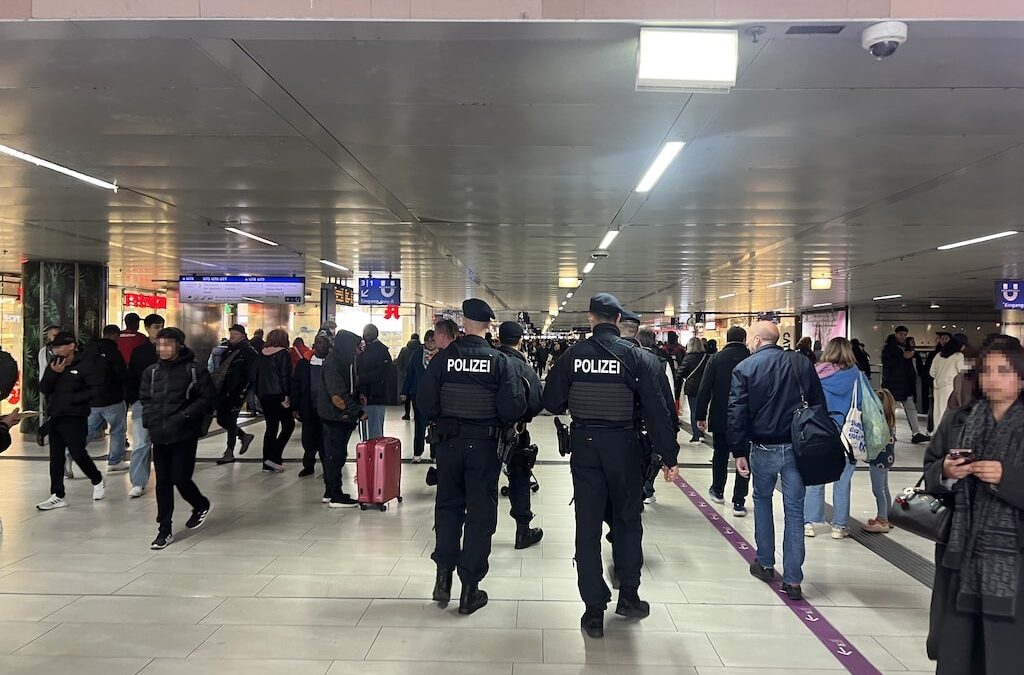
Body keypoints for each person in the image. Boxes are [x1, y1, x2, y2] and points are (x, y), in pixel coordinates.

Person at [542, 293, 680, 639]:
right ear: (618, 320)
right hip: (625, 447)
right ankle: (629, 595)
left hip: (585, 448)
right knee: (627, 521)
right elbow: (658, 413)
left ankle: (593, 610)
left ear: (591, 318)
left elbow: (552, 402)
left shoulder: (573, 356)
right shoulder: (638, 358)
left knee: (587, 525)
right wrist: (669, 457)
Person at [416, 299, 527, 616]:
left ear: (463, 323)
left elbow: (425, 401)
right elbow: (512, 408)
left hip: (448, 445)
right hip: (484, 447)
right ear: (489, 325)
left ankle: (443, 578)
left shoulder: (443, 359)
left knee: (448, 508)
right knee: (480, 514)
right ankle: (469, 589)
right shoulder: (499, 361)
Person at [923, 337, 1024, 674]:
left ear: (1021, 376)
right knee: (959, 651)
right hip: (961, 557)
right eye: (986, 371)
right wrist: (946, 472)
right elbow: (931, 468)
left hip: (1013, 565)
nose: (993, 379)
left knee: (1005, 654)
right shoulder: (960, 419)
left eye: (1004, 371)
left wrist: (1007, 478)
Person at [728, 321, 825, 601]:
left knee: (762, 500)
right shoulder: (801, 363)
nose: (749, 343)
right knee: (795, 510)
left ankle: (765, 562)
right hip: (797, 447)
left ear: (758, 340)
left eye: (750, 338)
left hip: (763, 447)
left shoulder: (745, 368)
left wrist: (738, 451)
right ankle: (793, 580)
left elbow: (737, 412)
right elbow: (818, 404)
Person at [139, 328, 214, 549]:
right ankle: (164, 529)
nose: (162, 349)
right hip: (159, 434)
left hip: (184, 434)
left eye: (167, 344)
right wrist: (150, 421)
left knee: (180, 478)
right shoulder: (152, 372)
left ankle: (200, 504)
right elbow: (145, 399)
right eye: (159, 344)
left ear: (179, 345)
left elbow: (208, 399)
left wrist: (185, 416)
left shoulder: (194, 370)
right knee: (163, 483)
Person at [35, 332, 106, 511]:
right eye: (55, 347)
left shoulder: (86, 364)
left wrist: (73, 399)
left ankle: (96, 478)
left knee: (77, 452)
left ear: (72, 346)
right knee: (56, 457)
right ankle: (57, 494)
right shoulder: (55, 364)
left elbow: (96, 389)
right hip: (56, 415)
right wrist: (53, 373)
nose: (57, 350)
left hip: (75, 416)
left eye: (60, 346)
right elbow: (44, 388)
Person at [803, 337, 864, 539]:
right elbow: (864, 405)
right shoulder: (857, 376)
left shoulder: (816, 374)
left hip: (820, 432)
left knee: (815, 477)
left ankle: (810, 522)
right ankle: (839, 526)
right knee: (843, 481)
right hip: (847, 435)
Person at [495, 321, 544, 550]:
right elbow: (536, 403)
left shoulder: (491, 361)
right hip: (515, 433)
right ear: (520, 341)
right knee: (520, 478)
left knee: (482, 479)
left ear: (498, 339)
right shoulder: (524, 368)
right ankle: (522, 530)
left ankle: (477, 533)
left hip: (483, 433)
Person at [695, 325, 751, 517]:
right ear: (744, 339)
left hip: (721, 414)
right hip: (746, 417)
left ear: (727, 339)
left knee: (720, 453)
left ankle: (718, 490)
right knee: (744, 456)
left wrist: (700, 416)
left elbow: (704, 388)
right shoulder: (751, 358)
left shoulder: (716, 359)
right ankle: (739, 501)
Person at [317, 329, 364, 508]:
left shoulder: (345, 361)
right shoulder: (334, 363)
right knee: (334, 455)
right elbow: (337, 395)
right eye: (356, 346)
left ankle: (330, 491)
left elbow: (349, 387)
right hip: (335, 416)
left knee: (336, 454)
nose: (358, 350)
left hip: (341, 416)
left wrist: (358, 396)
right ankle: (335, 495)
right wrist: (358, 412)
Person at [637, 326, 679, 505]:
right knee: (652, 455)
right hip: (654, 421)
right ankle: (648, 489)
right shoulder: (661, 362)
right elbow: (669, 395)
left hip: (633, 422)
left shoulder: (629, 358)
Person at [124, 313, 164, 497]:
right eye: (156, 327)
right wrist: (134, 398)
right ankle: (138, 482)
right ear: (147, 328)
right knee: (141, 443)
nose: (159, 330)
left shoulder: (171, 349)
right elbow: (132, 376)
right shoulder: (140, 351)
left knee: (165, 443)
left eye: (161, 326)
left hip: (167, 402)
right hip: (144, 402)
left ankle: (168, 477)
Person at [84, 324, 129, 473]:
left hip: (92, 399)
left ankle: (68, 454)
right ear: (115, 336)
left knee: (87, 431)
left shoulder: (88, 350)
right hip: (112, 399)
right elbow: (121, 374)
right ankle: (115, 461)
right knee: (117, 430)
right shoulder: (114, 352)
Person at [213, 325, 258, 465]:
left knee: (231, 419)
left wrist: (244, 391)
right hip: (224, 390)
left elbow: (252, 374)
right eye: (231, 333)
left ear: (243, 336)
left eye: (235, 334)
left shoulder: (248, 352)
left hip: (237, 391)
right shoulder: (228, 350)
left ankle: (229, 451)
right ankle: (244, 436)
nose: (232, 336)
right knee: (221, 419)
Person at [882, 326, 930, 444]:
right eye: (901, 334)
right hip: (893, 384)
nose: (903, 337)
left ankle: (915, 433)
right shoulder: (889, 348)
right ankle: (890, 434)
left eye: (905, 335)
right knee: (891, 410)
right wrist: (902, 357)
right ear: (896, 334)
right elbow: (887, 364)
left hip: (905, 384)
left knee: (910, 409)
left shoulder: (903, 348)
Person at [255, 328, 294, 472]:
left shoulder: (261, 354)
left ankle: (267, 463)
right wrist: (286, 396)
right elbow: (285, 376)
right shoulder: (284, 354)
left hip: (264, 395)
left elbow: (255, 375)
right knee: (288, 425)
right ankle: (274, 456)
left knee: (271, 428)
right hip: (278, 395)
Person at [292, 334, 330, 478]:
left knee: (325, 440)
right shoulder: (304, 364)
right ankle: (308, 465)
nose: (321, 345)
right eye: (319, 342)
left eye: (324, 343)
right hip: (308, 407)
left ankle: (327, 467)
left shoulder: (332, 363)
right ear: (314, 345)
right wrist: (295, 407)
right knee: (308, 439)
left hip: (327, 409)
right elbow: (296, 385)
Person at [862, 388, 897, 534]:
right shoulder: (890, 421)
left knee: (878, 490)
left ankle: (882, 519)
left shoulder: (878, 423)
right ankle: (888, 516)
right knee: (884, 488)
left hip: (878, 460)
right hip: (887, 458)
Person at [401, 330, 437, 463]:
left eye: (432, 340)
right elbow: (410, 373)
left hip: (437, 395)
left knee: (435, 425)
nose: (430, 343)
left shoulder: (442, 354)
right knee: (420, 424)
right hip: (418, 393)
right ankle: (417, 453)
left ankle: (435, 454)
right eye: (427, 340)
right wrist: (404, 391)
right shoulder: (417, 354)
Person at [356, 324, 393, 440]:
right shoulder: (364, 349)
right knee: (367, 432)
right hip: (365, 396)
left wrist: (361, 378)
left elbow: (383, 372)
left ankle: (373, 451)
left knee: (374, 432)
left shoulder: (381, 350)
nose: (366, 335)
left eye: (368, 333)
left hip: (375, 396)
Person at [678, 337, 709, 443]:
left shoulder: (688, 358)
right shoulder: (707, 357)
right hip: (705, 387)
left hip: (692, 388)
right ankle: (702, 432)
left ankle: (696, 434)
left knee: (694, 411)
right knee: (703, 410)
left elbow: (680, 373)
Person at [930, 335, 966, 428]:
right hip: (950, 387)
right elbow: (962, 372)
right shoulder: (959, 356)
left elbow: (931, 372)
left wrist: (940, 377)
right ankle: (944, 433)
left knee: (938, 411)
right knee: (948, 412)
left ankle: (936, 432)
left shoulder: (938, 355)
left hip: (937, 387)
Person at [36, 324, 61, 448]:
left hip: (63, 388)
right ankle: (44, 430)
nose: (56, 337)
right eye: (54, 335)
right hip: (52, 388)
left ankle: (46, 431)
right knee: (57, 414)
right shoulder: (45, 351)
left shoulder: (63, 349)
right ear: (48, 337)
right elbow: (43, 370)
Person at [396, 333, 422, 420]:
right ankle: (416, 414)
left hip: (406, 375)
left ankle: (407, 414)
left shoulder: (404, 350)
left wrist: (403, 371)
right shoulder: (421, 350)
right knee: (417, 397)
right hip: (418, 377)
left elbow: (399, 362)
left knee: (407, 396)